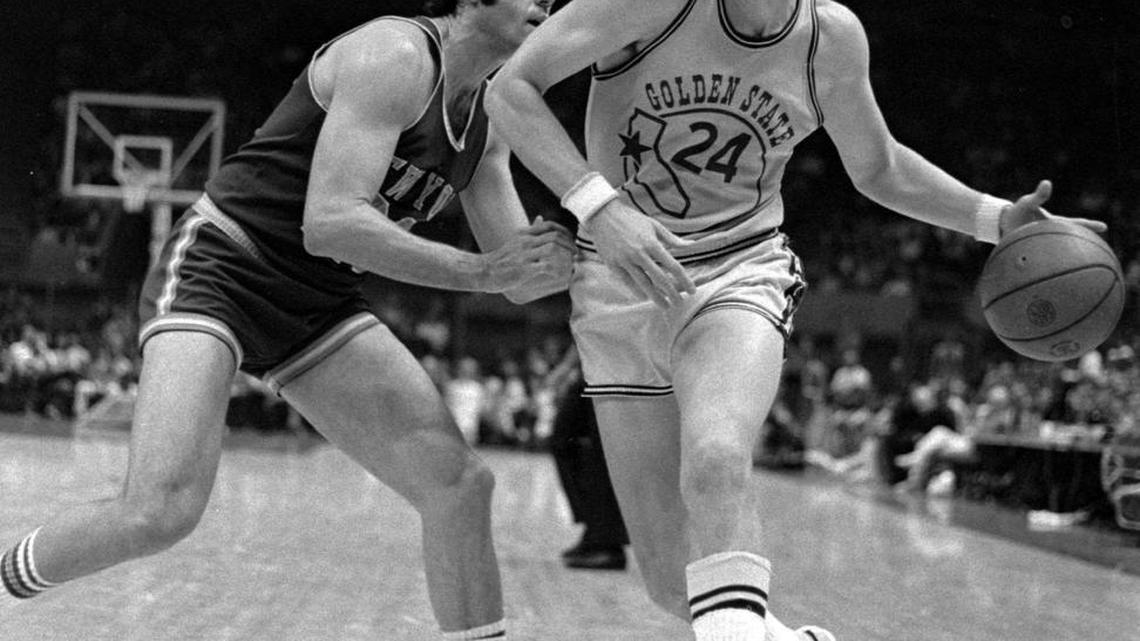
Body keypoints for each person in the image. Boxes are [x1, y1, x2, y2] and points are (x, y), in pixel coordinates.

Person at [485, 1, 1106, 640]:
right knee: (673, 584)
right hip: (621, 281)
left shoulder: (828, 37)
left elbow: (880, 167)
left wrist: (997, 218)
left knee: (717, 456)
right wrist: (601, 209)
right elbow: (511, 90)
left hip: (738, 267)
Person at [0, 2, 571, 640]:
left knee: (459, 485)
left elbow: (517, 275)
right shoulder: (398, 56)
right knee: (160, 512)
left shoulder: (488, 120)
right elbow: (331, 224)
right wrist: (484, 272)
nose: (547, 2)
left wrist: (599, 250)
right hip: (225, 266)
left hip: (318, 302)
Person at [545, 343, 629, 570]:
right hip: (593, 364)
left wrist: (566, 366)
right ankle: (596, 529)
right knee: (564, 441)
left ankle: (607, 544)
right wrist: (568, 365)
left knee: (601, 454)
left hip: (620, 366)